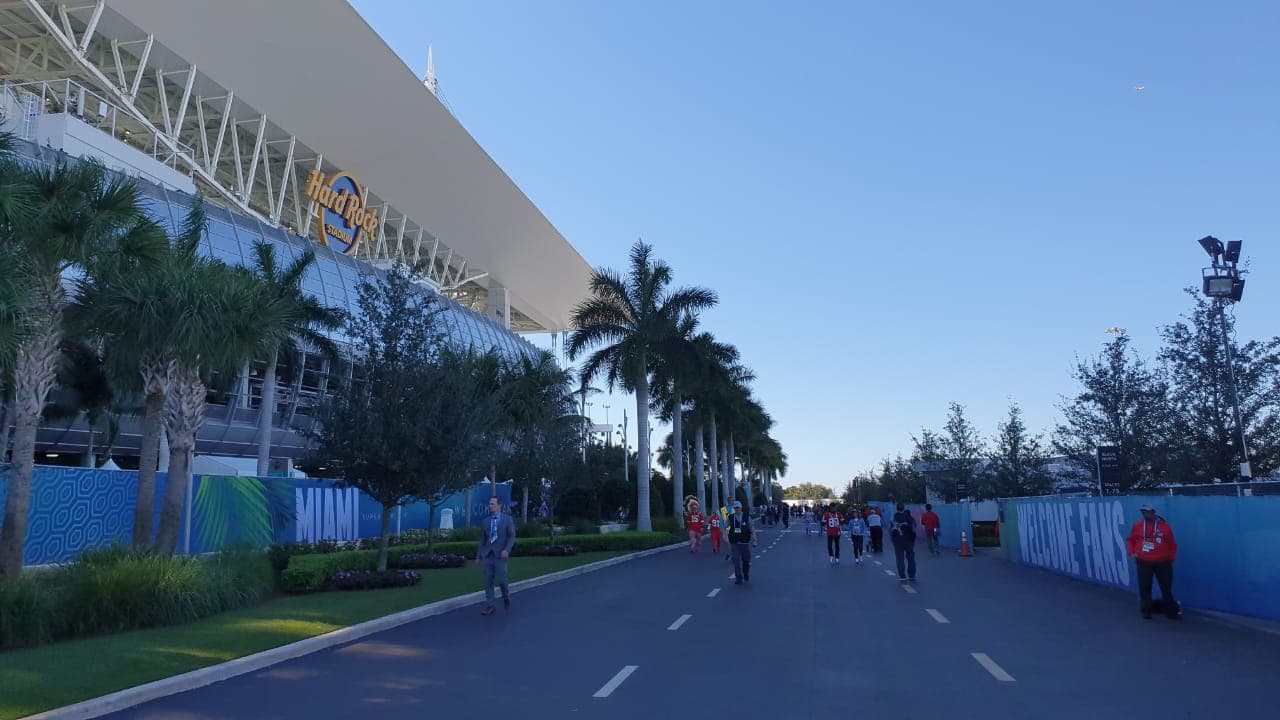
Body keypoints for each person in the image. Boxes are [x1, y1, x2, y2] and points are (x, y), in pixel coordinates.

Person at [1126, 503, 1180, 620]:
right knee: (1145, 587)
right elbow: (1131, 540)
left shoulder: (1165, 527)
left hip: (1162, 562)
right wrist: (1132, 553)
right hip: (1144, 561)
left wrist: (1170, 558)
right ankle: (1146, 610)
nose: (1145, 514)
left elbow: (1172, 544)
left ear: (1153, 512)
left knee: (1166, 587)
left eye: (1147, 512)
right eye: (1143, 512)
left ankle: (1170, 611)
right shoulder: (1138, 526)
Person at [476, 496, 516, 615]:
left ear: (499, 505)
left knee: (502, 580)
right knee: (488, 581)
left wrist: (507, 550)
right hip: (488, 556)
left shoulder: (507, 519)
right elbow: (483, 540)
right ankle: (490, 606)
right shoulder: (485, 521)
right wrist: (478, 556)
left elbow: (512, 536)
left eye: (492, 504)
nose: (490, 506)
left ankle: (506, 598)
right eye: (489, 504)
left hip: (501, 555)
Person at [727, 500, 758, 584]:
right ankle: (738, 577)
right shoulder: (730, 517)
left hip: (745, 543)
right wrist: (726, 537)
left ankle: (745, 573)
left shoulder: (747, 517)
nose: (736, 509)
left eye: (738, 508)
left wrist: (754, 540)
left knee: (746, 561)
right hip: (735, 543)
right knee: (736, 561)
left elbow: (752, 529)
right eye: (735, 508)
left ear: (741, 508)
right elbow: (726, 528)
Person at [890, 502, 917, 581]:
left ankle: (902, 576)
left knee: (900, 558)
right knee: (911, 557)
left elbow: (890, 529)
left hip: (898, 540)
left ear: (897, 508)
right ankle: (912, 575)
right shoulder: (909, 517)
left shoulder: (893, 517)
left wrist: (893, 539)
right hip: (909, 540)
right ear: (904, 508)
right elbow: (914, 528)